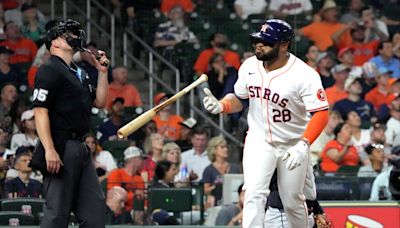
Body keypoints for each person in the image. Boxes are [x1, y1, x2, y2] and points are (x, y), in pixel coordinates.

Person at [203, 19, 329, 227]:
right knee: (253, 193)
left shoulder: (304, 74)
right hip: (259, 140)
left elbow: (321, 113)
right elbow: (240, 98)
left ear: (284, 44)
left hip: (293, 143)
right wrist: (222, 105)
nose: (258, 45)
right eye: (257, 40)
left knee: (292, 201)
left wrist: (304, 143)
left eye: (266, 41)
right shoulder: (250, 66)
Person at [30, 19, 109, 227]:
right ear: (54, 43)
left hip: (81, 146)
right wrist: (49, 149)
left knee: (95, 210)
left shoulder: (79, 71)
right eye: (67, 34)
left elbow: (100, 102)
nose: (74, 37)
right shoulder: (49, 69)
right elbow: (40, 110)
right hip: (61, 145)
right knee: (57, 213)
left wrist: (102, 73)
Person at [107, 146, 145, 223]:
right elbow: (114, 196)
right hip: (117, 213)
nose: (143, 161)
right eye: (141, 159)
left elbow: (141, 199)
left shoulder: (139, 179)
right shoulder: (116, 174)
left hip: (135, 211)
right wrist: (134, 195)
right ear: (134, 159)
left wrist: (129, 196)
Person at [202, 135, 242, 207]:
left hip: (234, 202)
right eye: (222, 147)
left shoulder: (235, 168)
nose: (226, 149)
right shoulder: (209, 170)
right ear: (214, 150)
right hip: (216, 203)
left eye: (226, 147)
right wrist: (216, 186)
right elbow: (205, 190)